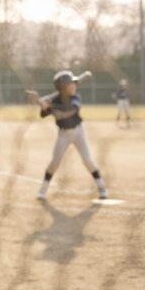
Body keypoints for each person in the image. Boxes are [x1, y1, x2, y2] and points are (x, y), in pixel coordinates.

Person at [32, 70, 109, 201]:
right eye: (70, 83)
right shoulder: (54, 99)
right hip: (63, 135)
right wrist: (44, 107)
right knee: (55, 162)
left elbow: (71, 109)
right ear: (62, 87)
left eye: (74, 83)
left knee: (87, 160)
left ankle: (102, 188)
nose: (74, 85)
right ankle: (43, 191)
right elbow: (43, 114)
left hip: (79, 132)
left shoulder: (75, 98)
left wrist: (50, 104)